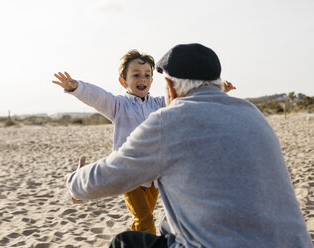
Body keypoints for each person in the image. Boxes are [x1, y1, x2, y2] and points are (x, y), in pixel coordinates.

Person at [65, 43, 313, 247]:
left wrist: (74, 181)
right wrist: (78, 88)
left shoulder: (167, 120)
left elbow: (109, 175)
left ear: (170, 87)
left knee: (126, 242)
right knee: (165, 222)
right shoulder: (253, 114)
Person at [52, 49, 236, 235]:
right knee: (144, 218)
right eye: (136, 75)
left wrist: (217, 90)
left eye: (147, 75)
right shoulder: (118, 105)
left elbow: (185, 98)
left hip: (153, 175)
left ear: (152, 80)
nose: (143, 79)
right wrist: (76, 87)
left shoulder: (158, 104)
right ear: (123, 81)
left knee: (142, 219)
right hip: (129, 174)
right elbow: (97, 96)